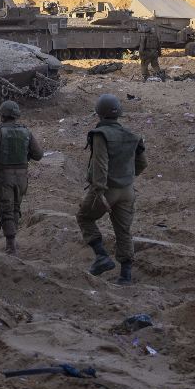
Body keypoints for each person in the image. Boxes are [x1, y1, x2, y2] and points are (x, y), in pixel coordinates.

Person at [77, 93, 147, 286]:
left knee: (84, 217)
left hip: (106, 190)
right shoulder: (132, 136)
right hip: (127, 190)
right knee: (123, 230)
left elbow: (101, 164)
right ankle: (125, 276)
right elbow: (142, 163)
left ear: (99, 113)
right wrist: (127, 177)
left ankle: (101, 256)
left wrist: (99, 190)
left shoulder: (101, 134)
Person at [0, 100, 44, 255]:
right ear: (16, 116)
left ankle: (11, 245)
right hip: (22, 177)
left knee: (6, 209)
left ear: (2, 116)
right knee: (15, 208)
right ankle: (13, 240)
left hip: (4, 177)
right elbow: (38, 155)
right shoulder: (26, 132)